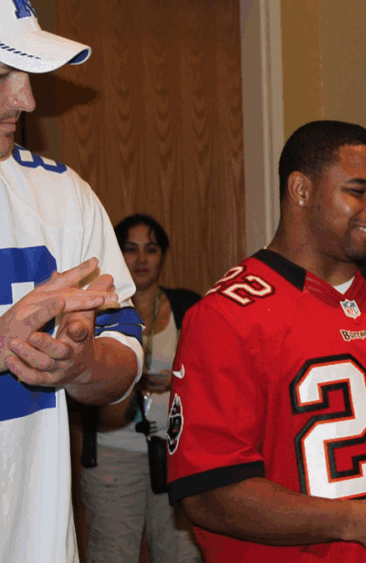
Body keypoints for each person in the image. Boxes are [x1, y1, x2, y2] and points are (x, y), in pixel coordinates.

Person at [166, 120, 366, 563]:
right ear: (301, 190)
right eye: (358, 191)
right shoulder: (226, 317)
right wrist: (354, 521)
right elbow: (209, 494)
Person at [0, 4, 144, 562]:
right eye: (2, 73)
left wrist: (81, 366)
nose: (27, 100)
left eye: (28, 73)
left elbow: (125, 345)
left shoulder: (62, 196)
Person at [78, 214, 202, 562]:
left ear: (163, 255)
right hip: (112, 453)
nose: (142, 259)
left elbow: (211, 376)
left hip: (175, 453)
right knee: (112, 554)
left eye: (151, 249)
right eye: (130, 250)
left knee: (181, 555)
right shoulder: (95, 310)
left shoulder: (188, 306)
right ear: (116, 254)